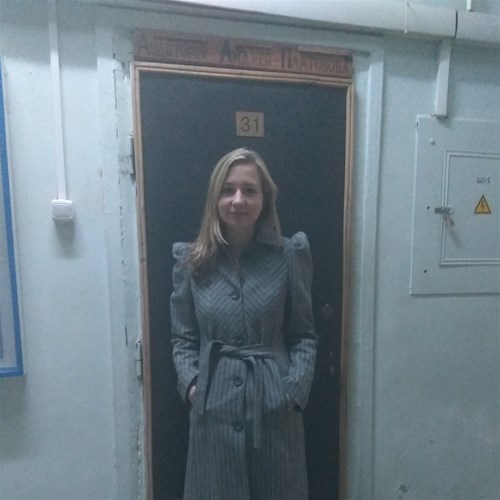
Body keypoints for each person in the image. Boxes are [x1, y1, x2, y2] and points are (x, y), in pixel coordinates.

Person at [170, 147, 317, 500]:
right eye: (228, 190)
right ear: (215, 197)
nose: (238, 200)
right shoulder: (192, 261)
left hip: (274, 410)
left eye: (249, 190)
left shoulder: (289, 255)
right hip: (213, 408)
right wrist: (193, 387)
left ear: (264, 199)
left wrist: (292, 392)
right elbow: (182, 338)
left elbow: (303, 335)